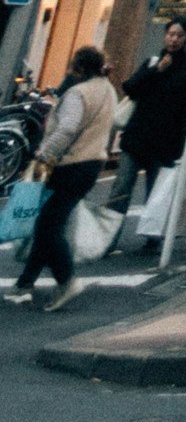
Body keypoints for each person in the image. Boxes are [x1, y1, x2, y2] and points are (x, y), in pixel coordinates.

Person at [6, 45, 122, 310]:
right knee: (49, 223)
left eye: (73, 68)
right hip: (92, 164)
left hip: (69, 165)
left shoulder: (78, 93)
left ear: (79, 69)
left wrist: (44, 154)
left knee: (48, 226)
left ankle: (67, 280)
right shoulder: (107, 90)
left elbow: (67, 128)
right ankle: (25, 282)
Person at [113, 19, 186, 239]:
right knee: (120, 189)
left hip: (164, 142)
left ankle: (152, 237)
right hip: (136, 138)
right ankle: (108, 237)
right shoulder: (151, 63)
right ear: (165, 36)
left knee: (157, 193)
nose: (174, 39)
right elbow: (130, 88)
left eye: (179, 35)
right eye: (170, 34)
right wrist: (155, 71)